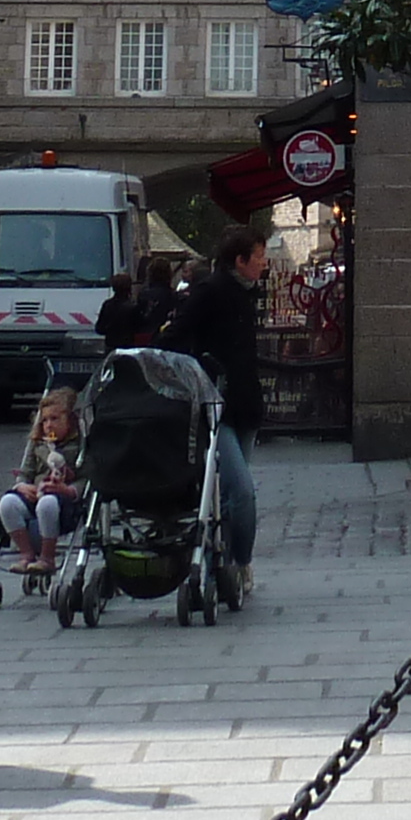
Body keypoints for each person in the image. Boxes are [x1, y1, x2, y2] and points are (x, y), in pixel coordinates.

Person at [163, 227, 268, 597]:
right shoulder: (211, 291)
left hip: (246, 405)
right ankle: (240, 562)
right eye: (258, 256)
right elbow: (173, 337)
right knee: (241, 492)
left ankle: (223, 563)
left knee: (228, 495)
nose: (263, 263)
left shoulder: (246, 293)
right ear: (239, 261)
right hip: (215, 405)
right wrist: (198, 372)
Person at [2, 388, 84, 567]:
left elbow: (86, 477)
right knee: (7, 504)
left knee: (47, 504)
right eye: (45, 420)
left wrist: (69, 490)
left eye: (55, 419)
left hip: (62, 499)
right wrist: (22, 485)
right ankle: (26, 553)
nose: (48, 425)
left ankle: (47, 557)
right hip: (35, 492)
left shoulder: (78, 445)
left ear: (69, 421)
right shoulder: (38, 443)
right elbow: (26, 472)